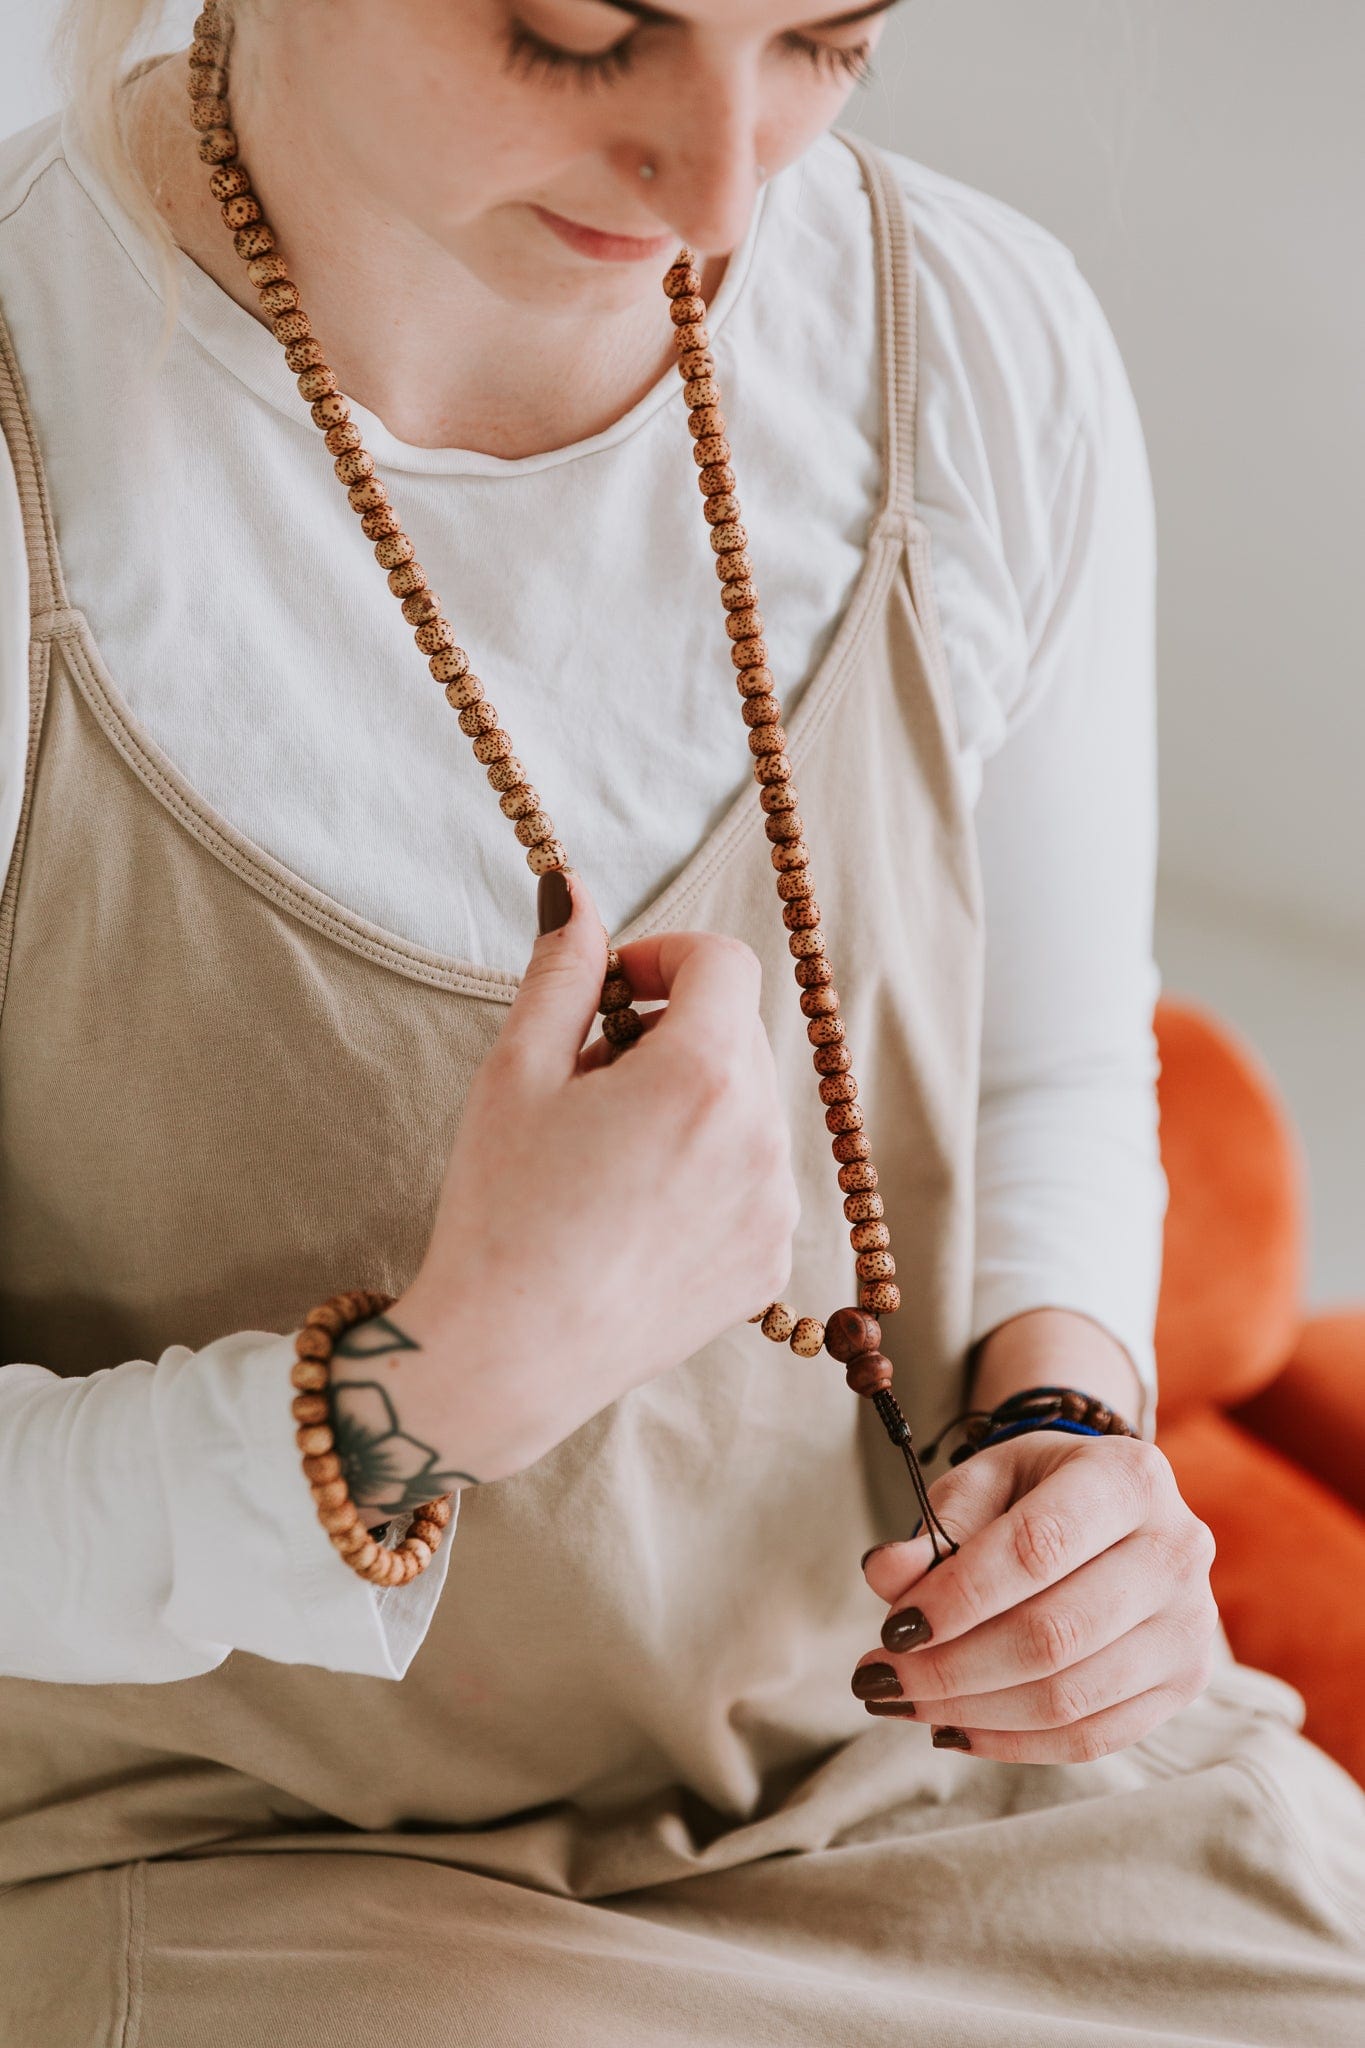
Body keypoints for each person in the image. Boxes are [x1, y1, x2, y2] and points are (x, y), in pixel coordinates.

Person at [0, 1, 1361, 2041]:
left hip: (937, 1781)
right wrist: (435, 1384)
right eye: (574, 32)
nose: (729, 185)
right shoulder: (46, 437)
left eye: (823, 39)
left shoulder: (976, 342)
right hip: (230, 1855)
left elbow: (1052, 1070)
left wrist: (1066, 1428)